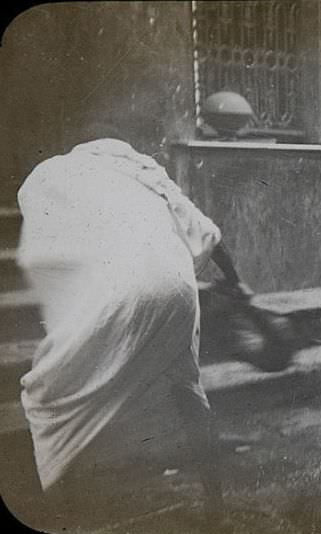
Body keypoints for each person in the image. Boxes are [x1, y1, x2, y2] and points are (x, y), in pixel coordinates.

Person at [15, 130, 237, 527]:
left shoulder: (52, 177)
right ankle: (216, 506)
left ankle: (62, 511)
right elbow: (210, 234)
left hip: (119, 291)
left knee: (46, 396)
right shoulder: (143, 174)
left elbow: (42, 257)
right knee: (188, 389)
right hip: (177, 285)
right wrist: (238, 285)